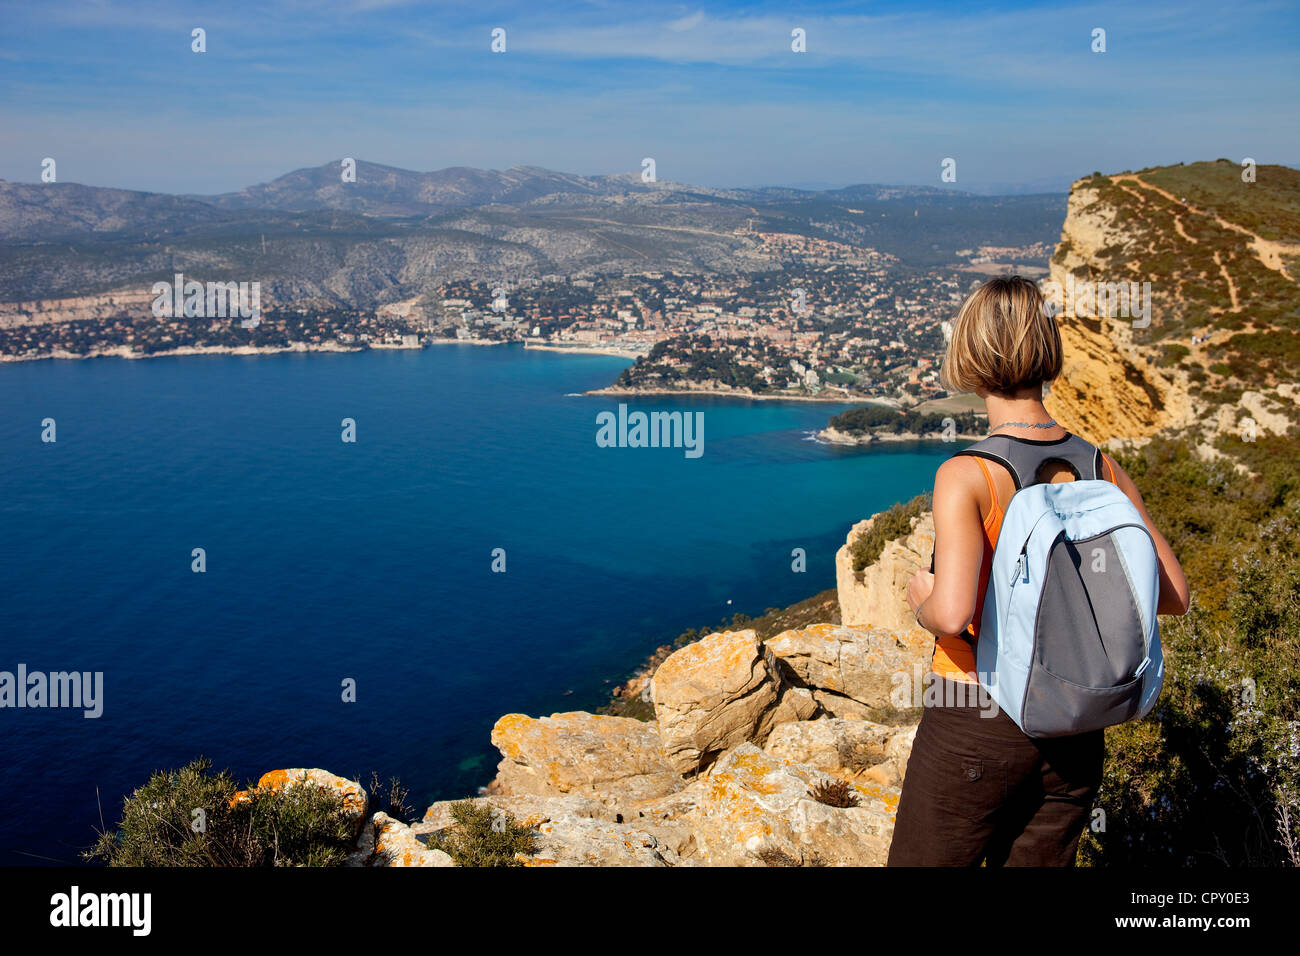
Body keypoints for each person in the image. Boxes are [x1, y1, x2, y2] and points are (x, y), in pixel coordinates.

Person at [886, 275, 1190, 866]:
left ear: (970, 357)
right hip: (1077, 728)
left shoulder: (969, 473)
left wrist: (922, 596)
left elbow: (951, 614)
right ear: (1045, 354)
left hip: (977, 717)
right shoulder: (1099, 463)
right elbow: (1173, 594)